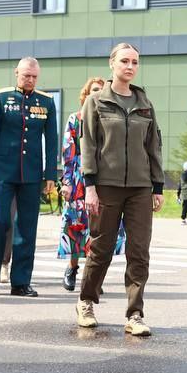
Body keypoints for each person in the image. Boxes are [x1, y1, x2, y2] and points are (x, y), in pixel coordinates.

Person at [77, 43, 165, 335]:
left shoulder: (145, 103)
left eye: (135, 62)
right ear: (112, 64)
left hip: (140, 187)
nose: (130, 66)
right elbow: (88, 144)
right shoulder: (96, 102)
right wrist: (90, 186)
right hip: (106, 186)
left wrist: (157, 186)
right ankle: (86, 301)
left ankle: (135, 314)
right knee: (100, 248)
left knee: (139, 251)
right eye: (124, 61)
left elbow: (153, 146)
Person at [0, 57, 59, 297]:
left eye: (34, 76)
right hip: (3, 172)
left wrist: (50, 175)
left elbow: (51, 141)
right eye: (26, 75)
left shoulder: (46, 101)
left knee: (27, 228)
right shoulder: (1, 98)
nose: (30, 80)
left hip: (32, 174)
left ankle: (21, 281)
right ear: (16, 73)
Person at [59, 77, 124, 292]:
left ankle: (92, 275)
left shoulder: (108, 118)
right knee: (76, 226)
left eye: (101, 91)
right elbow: (68, 153)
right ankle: (72, 268)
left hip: (103, 178)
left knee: (99, 227)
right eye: (94, 90)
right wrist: (67, 182)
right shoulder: (75, 119)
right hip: (79, 180)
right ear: (86, 94)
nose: (97, 94)